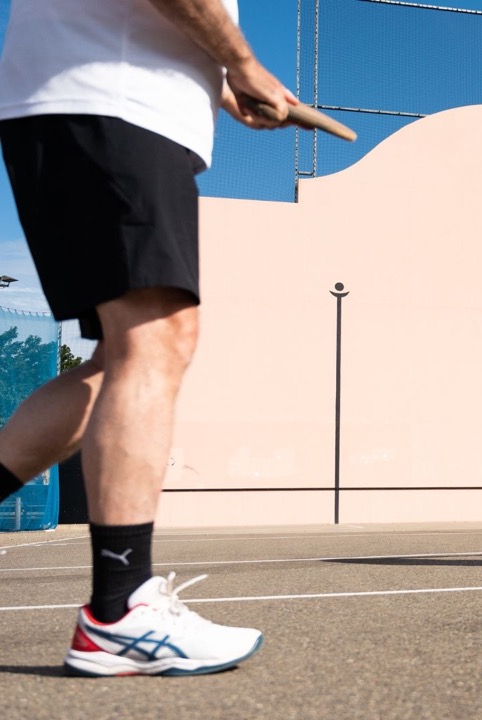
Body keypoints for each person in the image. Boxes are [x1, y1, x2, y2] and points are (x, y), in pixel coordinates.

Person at [0, 0, 294, 676]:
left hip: (95, 99)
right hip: (114, 103)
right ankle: (120, 611)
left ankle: (120, 608)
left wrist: (221, 81)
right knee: (158, 339)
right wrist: (244, 63)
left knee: (115, 363)